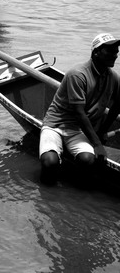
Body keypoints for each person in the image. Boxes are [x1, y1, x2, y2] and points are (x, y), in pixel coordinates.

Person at [39, 33, 120, 184]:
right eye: (110, 51)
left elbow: (118, 105)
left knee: (88, 160)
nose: (115, 55)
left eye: (116, 51)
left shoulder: (113, 78)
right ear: (96, 52)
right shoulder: (78, 74)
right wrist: (97, 144)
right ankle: (45, 197)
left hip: (77, 129)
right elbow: (79, 113)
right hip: (56, 125)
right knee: (50, 162)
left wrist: (101, 132)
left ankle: (74, 185)